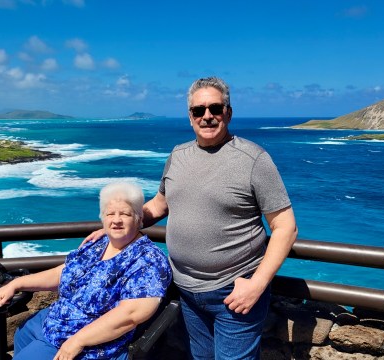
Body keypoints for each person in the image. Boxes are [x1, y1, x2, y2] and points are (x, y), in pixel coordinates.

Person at [86, 76, 297, 359]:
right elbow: (159, 205)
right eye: (199, 110)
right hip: (186, 291)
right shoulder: (178, 155)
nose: (207, 116)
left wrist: (257, 284)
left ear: (228, 113)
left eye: (215, 108)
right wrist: (118, 225)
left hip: (233, 292)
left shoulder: (254, 160)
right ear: (190, 117)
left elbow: (285, 226)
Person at [0, 182, 172, 360]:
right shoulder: (98, 243)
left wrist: (78, 341)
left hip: (87, 341)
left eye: (125, 214)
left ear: (139, 218)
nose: (116, 220)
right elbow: (64, 272)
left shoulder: (148, 259)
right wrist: (17, 283)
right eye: (110, 214)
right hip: (58, 320)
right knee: (23, 333)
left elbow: (132, 314)